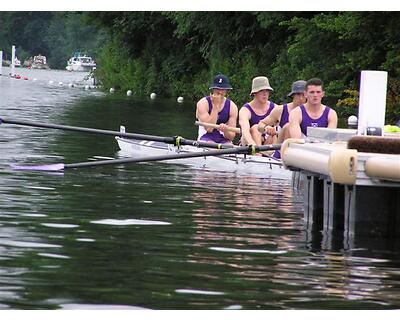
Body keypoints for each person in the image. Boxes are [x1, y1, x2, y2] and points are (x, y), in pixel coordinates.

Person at [258, 80, 307, 144]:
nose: (301, 98)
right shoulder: (280, 110)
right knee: (288, 126)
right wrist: (266, 128)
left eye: (303, 95)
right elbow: (260, 125)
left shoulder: (314, 112)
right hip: (282, 149)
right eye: (298, 94)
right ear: (292, 95)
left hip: (306, 150)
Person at [196, 74, 238, 144]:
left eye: (223, 89)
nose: (220, 92)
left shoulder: (232, 107)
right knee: (212, 145)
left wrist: (225, 130)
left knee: (229, 146)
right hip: (206, 137)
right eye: (217, 89)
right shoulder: (202, 103)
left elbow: (231, 137)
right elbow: (209, 129)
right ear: (213, 89)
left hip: (223, 140)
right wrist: (215, 106)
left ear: (226, 90)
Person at [239, 76, 276, 146]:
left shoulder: (275, 108)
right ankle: (257, 154)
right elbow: (245, 131)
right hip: (249, 143)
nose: (265, 94)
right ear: (254, 93)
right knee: (255, 128)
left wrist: (274, 129)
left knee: (274, 133)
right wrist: (253, 145)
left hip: (268, 142)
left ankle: (275, 154)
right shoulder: (245, 110)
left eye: (267, 91)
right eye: (261, 90)